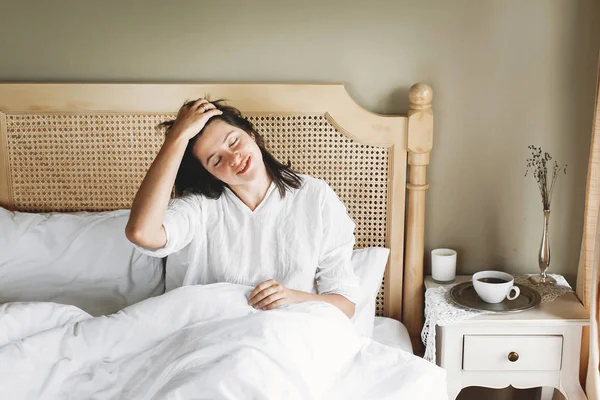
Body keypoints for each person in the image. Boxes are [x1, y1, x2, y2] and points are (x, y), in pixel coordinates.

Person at [125, 98, 359, 318]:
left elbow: (345, 305)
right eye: (216, 160)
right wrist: (176, 138)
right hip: (212, 331)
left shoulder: (315, 196)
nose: (234, 158)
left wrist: (291, 297)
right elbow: (142, 233)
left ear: (251, 134)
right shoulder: (200, 207)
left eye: (234, 141)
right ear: (209, 173)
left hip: (288, 333)